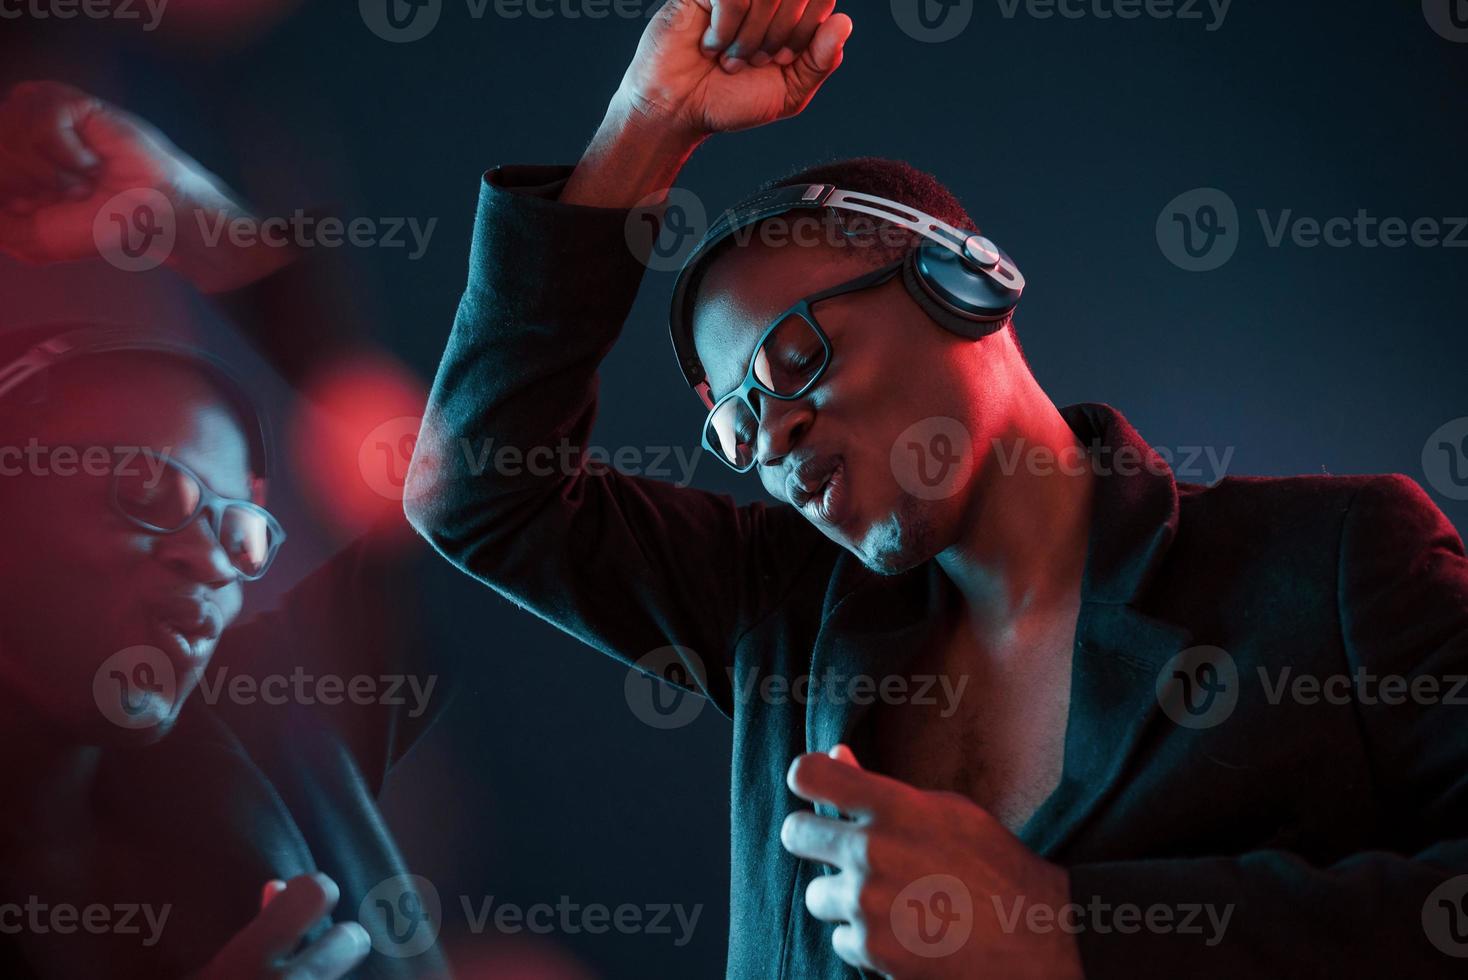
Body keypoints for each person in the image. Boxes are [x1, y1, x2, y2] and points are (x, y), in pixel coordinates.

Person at [403, 2, 1468, 978]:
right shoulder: (780, 616)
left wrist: (1066, 925)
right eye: (735, 424)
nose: (771, 431)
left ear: (966, 286)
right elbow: (478, 491)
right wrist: (648, 119)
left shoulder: (1336, 564)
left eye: (791, 359)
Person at [0, 81, 472, 978]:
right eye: (150, 489)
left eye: (243, 534)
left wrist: (204, 227)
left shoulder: (274, 728)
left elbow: (420, 495)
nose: (209, 564)